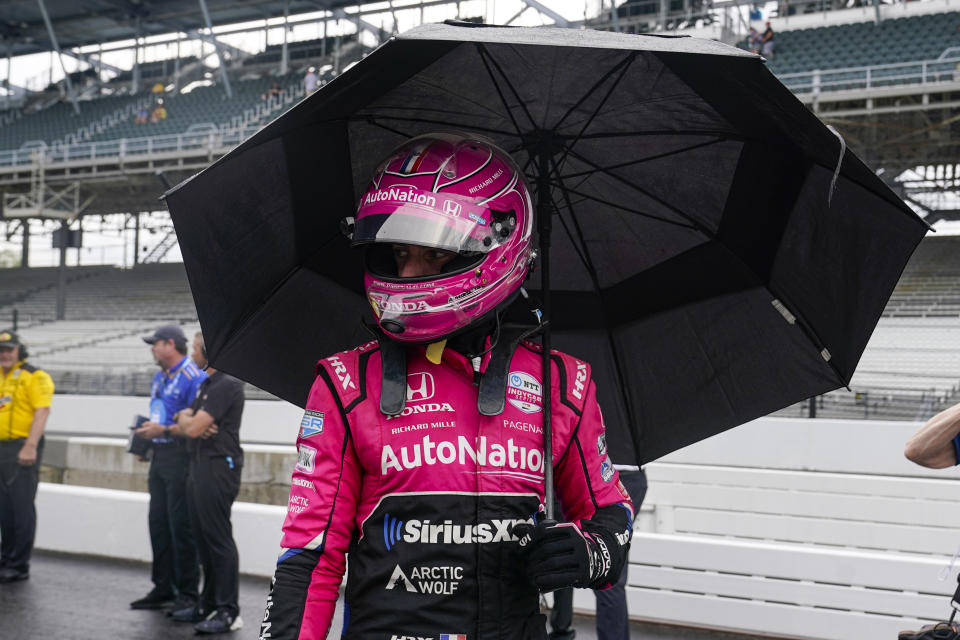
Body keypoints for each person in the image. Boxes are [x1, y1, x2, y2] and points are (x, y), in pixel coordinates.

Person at [260, 132, 635, 640]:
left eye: (433, 255)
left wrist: (590, 553)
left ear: (501, 246)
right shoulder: (347, 383)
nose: (408, 273)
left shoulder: (563, 382)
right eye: (398, 253)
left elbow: (610, 512)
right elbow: (310, 558)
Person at [149, 332, 246, 634]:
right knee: (203, 541)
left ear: (208, 350)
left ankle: (229, 611)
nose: (192, 354)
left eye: (194, 349)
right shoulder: (207, 383)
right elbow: (187, 421)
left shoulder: (226, 383)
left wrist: (189, 420)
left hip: (218, 467)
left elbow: (192, 428)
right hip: (198, 465)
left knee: (218, 540)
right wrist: (187, 418)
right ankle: (208, 604)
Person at [130, 325, 206, 611]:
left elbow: (199, 425)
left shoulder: (192, 377)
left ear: (171, 344)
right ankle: (162, 586)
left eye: (156, 343)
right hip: (159, 454)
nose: (152, 348)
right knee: (158, 523)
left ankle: (187, 593)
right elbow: (157, 414)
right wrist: (146, 443)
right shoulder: (160, 376)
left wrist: (165, 429)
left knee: (180, 526)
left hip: (181, 456)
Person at [549, 468, 647, 640]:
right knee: (565, 549)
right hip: (622, 476)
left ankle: (562, 630)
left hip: (601, 477)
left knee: (605, 570)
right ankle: (561, 629)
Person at [0, 330, 53, 584]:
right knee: (4, 508)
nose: (5, 354)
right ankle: (6, 556)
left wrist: (30, 445)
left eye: (9, 349)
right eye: (1, 350)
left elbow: (42, 411)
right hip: (2, 448)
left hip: (22, 447)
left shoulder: (35, 376)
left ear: (19, 350)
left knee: (21, 507)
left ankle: (19, 564)